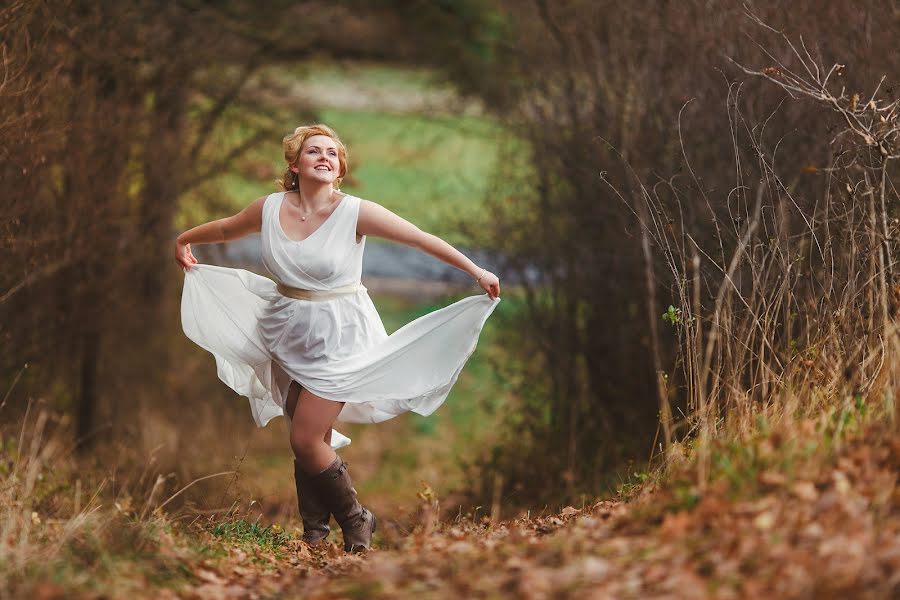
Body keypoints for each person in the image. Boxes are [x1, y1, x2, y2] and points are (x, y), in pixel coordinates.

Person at [175, 124, 501, 553]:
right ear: (295, 164)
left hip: (340, 336)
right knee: (313, 436)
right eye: (314, 151)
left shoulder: (355, 212)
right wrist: (184, 239)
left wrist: (476, 272)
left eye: (332, 152)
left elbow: (420, 240)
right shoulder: (269, 208)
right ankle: (315, 534)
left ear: (340, 167)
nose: (325, 157)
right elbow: (224, 229)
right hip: (285, 331)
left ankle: (356, 518)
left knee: (305, 438)